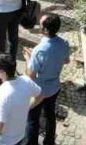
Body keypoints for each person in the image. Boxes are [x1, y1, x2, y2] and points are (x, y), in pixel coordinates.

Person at [25, 14, 71, 145]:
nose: (38, 26)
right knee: (50, 115)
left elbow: (31, 75)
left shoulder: (39, 50)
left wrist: (29, 59)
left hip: (38, 91)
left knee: (33, 120)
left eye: (40, 24)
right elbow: (66, 61)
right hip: (54, 88)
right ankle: (49, 141)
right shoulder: (64, 43)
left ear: (45, 30)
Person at [0, 54, 42, 145]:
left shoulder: (2, 94)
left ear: (2, 71)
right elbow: (40, 95)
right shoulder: (26, 80)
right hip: (19, 137)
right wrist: (27, 107)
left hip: (1, 142)